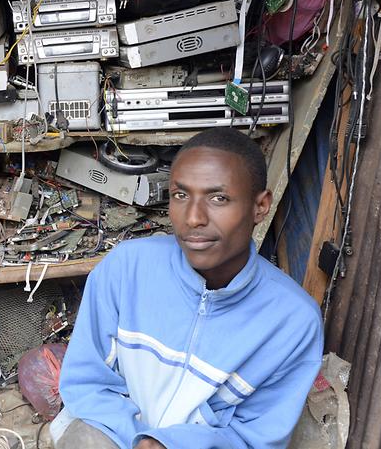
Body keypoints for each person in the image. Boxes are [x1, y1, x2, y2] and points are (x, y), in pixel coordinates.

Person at [53, 128, 323, 449]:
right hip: (112, 434)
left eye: (218, 198)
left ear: (260, 206)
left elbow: (255, 436)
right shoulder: (126, 267)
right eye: (181, 195)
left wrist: (170, 443)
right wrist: (139, 439)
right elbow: (87, 381)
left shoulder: (293, 321)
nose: (193, 218)